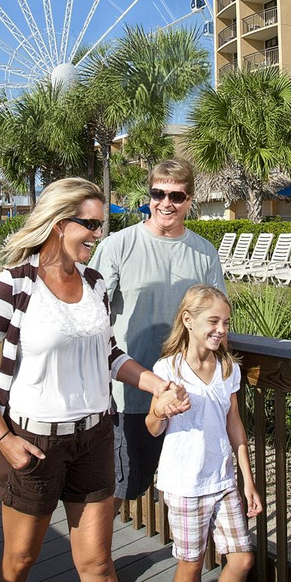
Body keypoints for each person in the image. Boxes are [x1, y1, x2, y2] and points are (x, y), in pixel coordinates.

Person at [0, 177, 189, 582]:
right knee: (20, 561)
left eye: (102, 226)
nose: (99, 235)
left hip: (95, 437)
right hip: (34, 445)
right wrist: (4, 439)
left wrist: (156, 385)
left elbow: (110, 354)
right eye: (92, 225)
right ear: (60, 223)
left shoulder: (95, 282)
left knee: (98, 563)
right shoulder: (14, 285)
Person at [89, 158, 226, 507]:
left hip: (186, 400)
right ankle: (98, 564)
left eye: (177, 196)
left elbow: (218, 321)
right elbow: (90, 315)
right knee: (116, 495)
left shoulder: (205, 253)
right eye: (158, 193)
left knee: (186, 493)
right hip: (129, 396)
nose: (166, 202)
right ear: (149, 195)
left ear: (190, 200)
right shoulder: (117, 246)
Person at [147, 285, 261, 582]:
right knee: (192, 563)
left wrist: (247, 481)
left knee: (242, 559)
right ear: (188, 320)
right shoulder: (167, 369)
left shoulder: (228, 368)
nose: (221, 330)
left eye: (225, 322)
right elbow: (152, 427)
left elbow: (234, 424)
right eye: (213, 321)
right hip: (185, 484)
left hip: (222, 480)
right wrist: (161, 410)